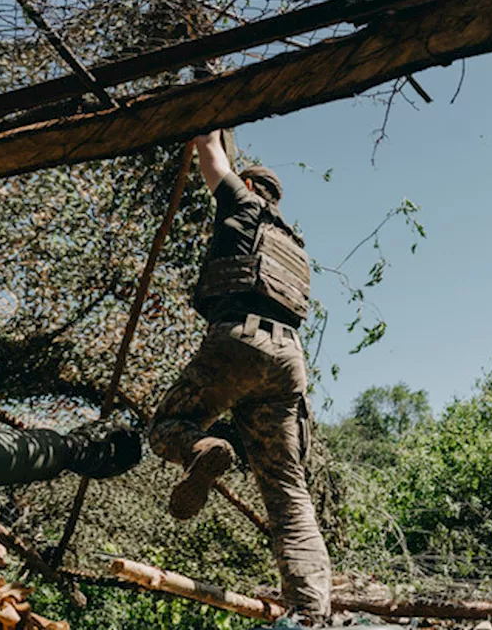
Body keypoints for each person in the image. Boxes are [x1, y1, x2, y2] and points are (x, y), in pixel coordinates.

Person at [148, 129, 331, 620]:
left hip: (238, 341)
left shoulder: (240, 205)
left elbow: (211, 152)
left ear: (248, 186)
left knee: (166, 428)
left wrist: (205, 113)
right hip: (289, 360)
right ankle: (311, 614)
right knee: (289, 493)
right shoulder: (295, 245)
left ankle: (199, 448)